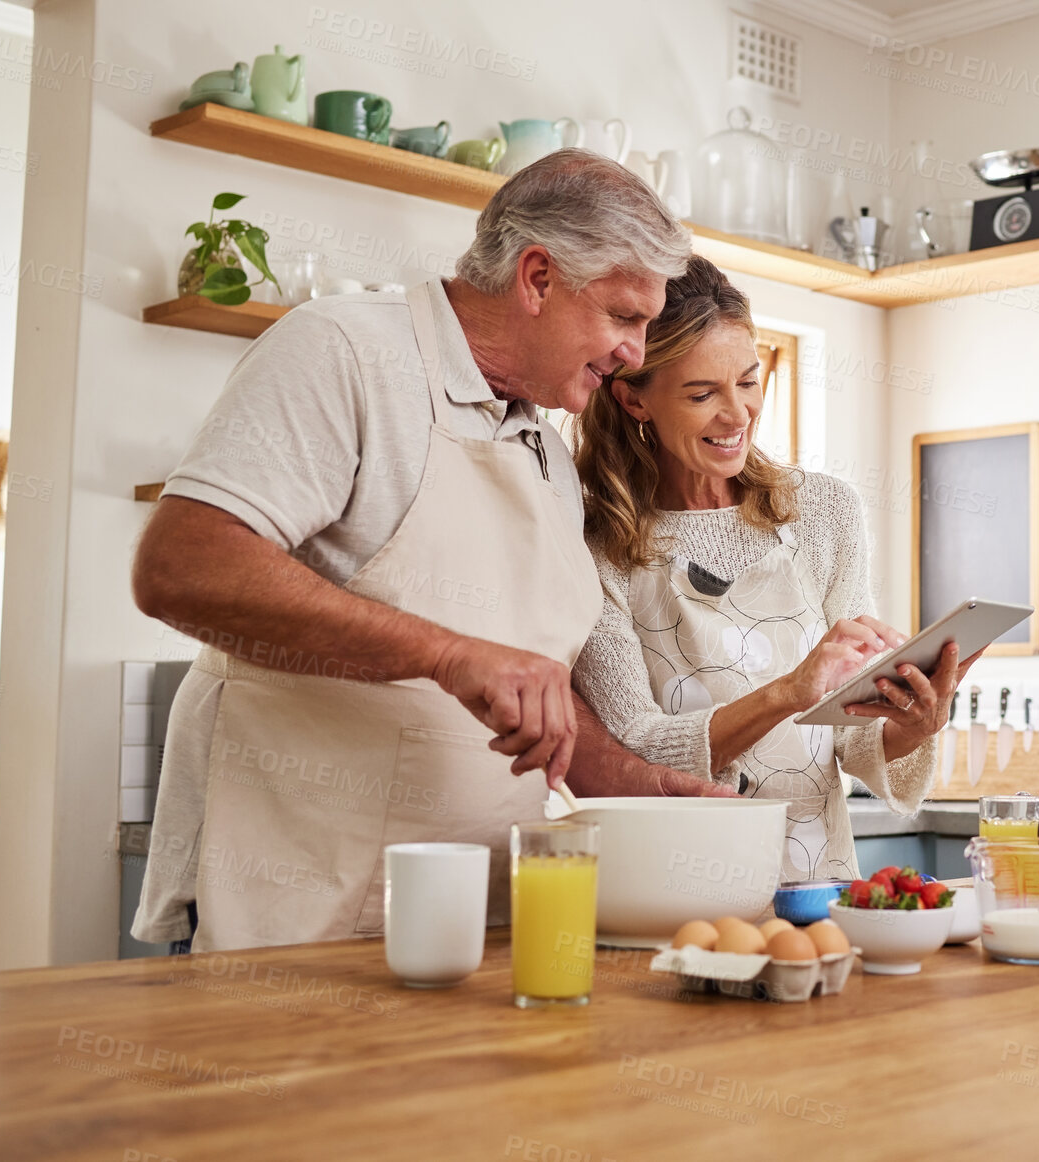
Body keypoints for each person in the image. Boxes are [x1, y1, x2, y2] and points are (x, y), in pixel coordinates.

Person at [130, 151, 728, 954]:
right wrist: (447, 654)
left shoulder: (545, 447)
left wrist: (628, 783)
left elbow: (528, 683)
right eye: (624, 316)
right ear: (538, 278)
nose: (634, 351)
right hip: (294, 907)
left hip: (472, 924)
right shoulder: (343, 352)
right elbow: (182, 566)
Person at [571, 257, 974, 880]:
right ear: (632, 398)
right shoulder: (597, 541)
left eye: (749, 381)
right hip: (678, 886)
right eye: (702, 394)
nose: (738, 415)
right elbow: (634, 748)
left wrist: (915, 723)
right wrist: (789, 692)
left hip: (820, 881)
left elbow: (852, 735)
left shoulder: (823, 512)